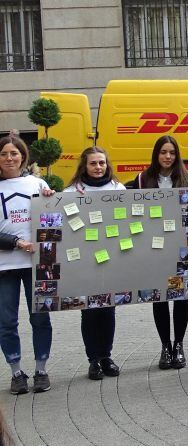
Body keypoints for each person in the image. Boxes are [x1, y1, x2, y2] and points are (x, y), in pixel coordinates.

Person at [128, 135, 188, 370]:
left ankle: (179, 345)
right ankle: (165, 347)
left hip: (181, 248)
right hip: (152, 248)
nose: (167, 157)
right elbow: (116, 200)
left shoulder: (187, 177)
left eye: (171, 152)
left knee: (181, 296)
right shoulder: (142, 179)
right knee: (159, 297)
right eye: (163, 152)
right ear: (156, 154)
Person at [0, 132, 54, 394]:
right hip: (4, 267)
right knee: (6, 321)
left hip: (36, 263)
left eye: (14, 153)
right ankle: (16, 372)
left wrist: (51, 199)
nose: (9, 158)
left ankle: (41, 370)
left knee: (40, 317)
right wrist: (16, 243)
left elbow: (51, 217)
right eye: (3, 154)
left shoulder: (37, 183)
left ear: (23, 156)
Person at [65, 147, 125, 380]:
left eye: (101, 163)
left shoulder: (118, 189)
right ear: (84, 166)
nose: (98, 167)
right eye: (93, 163)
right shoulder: (71, 191)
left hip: (112, 257)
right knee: (89, 311)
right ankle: (93, 360)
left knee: (108, 309)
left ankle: (106, 356)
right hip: (84, 257)